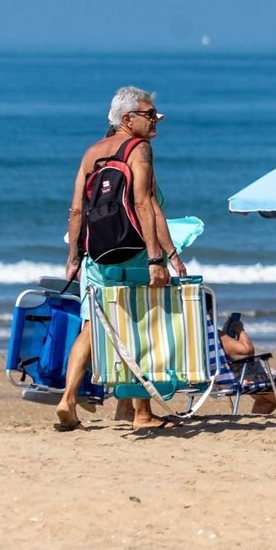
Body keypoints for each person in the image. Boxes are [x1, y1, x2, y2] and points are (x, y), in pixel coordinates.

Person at [55, 86, 186, 432]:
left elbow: (76, 210)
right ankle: (141, 413)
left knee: (90, 327)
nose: (157, 119)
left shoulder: (92, 153)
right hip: (135, 253)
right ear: (127, 119)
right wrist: (162, 257)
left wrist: (74, 256)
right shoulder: (139, 149)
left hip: (96, 257)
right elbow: (147, 206)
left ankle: (68, 398)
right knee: (138, 327)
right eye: (150, 113)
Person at [218, 314, 276, 414]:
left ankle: (254, 426)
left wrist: (225, 333)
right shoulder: (212, 333)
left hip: (225, 378)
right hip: (249, 380)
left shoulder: (203, 335)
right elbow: (247, 353)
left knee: (266, 401)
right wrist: (239, 329)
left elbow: (227, 350)